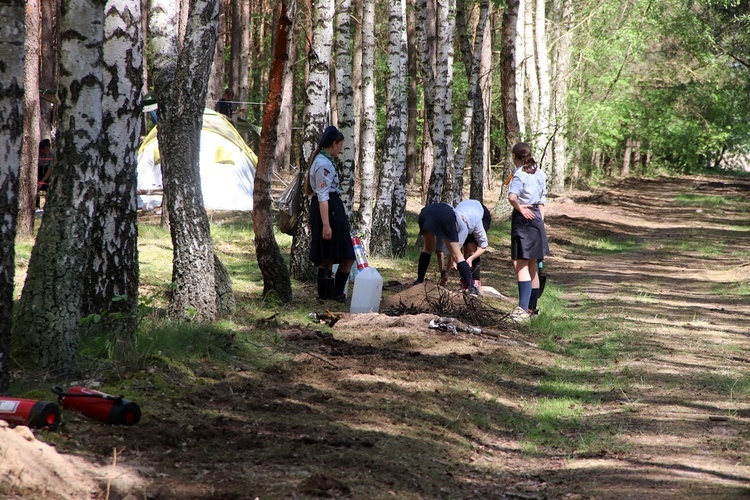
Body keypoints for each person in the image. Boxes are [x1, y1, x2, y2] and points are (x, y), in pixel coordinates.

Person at [306, 125, 355, 302]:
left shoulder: (324, 160)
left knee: (330, 254)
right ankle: (333, 294)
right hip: (329, 209)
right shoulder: (323, 164)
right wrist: (326, 224)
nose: (340, 149)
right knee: (341, 255)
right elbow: (322, 195)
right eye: (340, 145)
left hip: (330, 207)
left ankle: (330, 294)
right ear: (334, 144)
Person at [507, 142, 549, 322]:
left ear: (514, 157)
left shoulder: (519, 174)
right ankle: (532, 309)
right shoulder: (540, 173)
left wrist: (521, 210)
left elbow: (512, 197)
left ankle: (523, 310)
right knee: (532, 264)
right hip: (537, 218)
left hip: (524, 220)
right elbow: (542, 200)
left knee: (520, 264)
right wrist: (541, 220)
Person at [414, 202, 479, 297]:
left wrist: (445, 272)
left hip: (425, 213)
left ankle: (419, 280)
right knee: (458, 255)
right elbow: (454, 255)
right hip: (444, 216)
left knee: (427, 248)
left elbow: (441, 251)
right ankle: (472, 288)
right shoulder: (461, 227)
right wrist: (445, 271)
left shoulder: (459, 224)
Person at [452, 200, 491, 291]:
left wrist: (471, 258)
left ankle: (475, 280)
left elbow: (483, 246)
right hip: (467, 212)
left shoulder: (476, 224)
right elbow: (454, 246)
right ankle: (465, 279)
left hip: (480, 215)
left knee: (471, 247)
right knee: (465, 247)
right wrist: (455, 260)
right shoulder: (453, 222)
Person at [37, 138, 53, 209]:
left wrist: (42, 182)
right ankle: (36, 205)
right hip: (38, 168)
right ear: (41, 150)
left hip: (47, 169)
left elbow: (50, 169)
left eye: (49, 149)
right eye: (46, 150)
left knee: (46, 186)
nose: (48, 151)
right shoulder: (37, 153)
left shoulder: (52, 154)